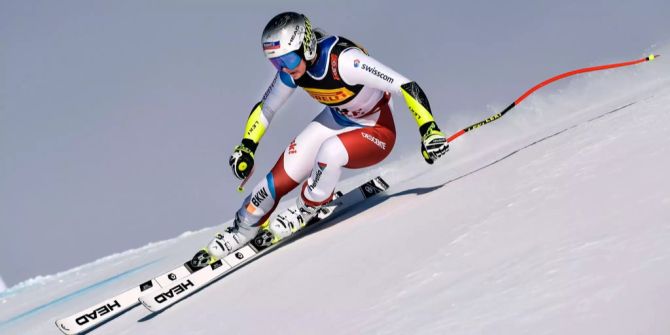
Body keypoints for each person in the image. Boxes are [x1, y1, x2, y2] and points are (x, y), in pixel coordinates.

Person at [191, 11, 448, 267]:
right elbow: (267, 108)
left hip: (376, 130)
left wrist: (429, 130)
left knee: (330, 152)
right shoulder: (293, 70)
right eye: (276, 63)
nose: (284, 70)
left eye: (288, 60)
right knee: (274, 181)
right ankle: (244, 227)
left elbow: (407, 86)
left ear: (306, 46)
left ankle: (307, 207)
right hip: (336, 120)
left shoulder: (345, 61)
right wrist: (247, 146)